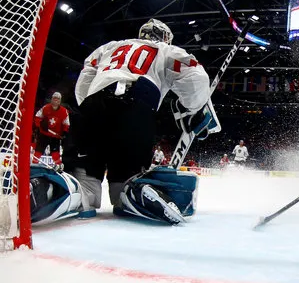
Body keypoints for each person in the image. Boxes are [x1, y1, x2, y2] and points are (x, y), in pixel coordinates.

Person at [53, 18, 217, 225]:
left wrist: (88, 106)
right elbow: (196, 76)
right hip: (138, 102)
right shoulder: (166, 50)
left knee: (84, 173)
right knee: (125, 180)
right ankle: (129, 195)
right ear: (166, 37)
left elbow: (85, 77)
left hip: (94, 103)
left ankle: (70, 194)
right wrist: (192, 107)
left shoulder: (110, 47)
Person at [33, 92, 69, 171]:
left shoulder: (64, 111)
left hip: (55, 136)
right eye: (54, 98)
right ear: (51, 99)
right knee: (38, 150)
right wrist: (40, 124)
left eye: (58, 99)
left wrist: (64, 132)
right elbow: (37, 117)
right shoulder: (45, 108)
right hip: (44, 134)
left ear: (60, 101)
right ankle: (34, 164)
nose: (56, 100)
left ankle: (58, 165)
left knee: (55, 152)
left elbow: (66, 123)